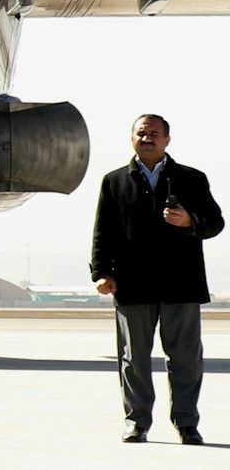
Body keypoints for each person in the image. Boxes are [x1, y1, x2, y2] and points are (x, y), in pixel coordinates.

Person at [90, 113, 223, 445]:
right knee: (133, 359)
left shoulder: (191, 178)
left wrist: (189, 221)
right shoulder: (114, 181)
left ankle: (187, 423)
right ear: (131, 138)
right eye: (141, 133)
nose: (147, 138)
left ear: (167, 139)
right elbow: (103, 231)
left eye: (154, 133)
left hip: (181, 284)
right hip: (132, 284)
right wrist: (102, 273)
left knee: (185, 359)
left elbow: (215, 222)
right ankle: (136, 422)